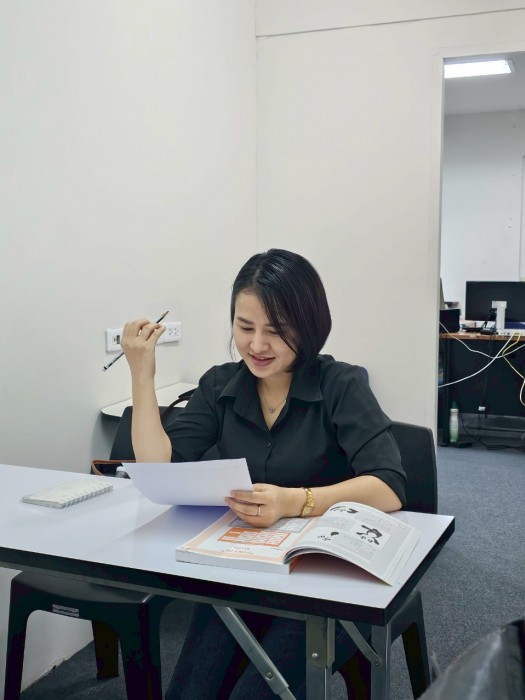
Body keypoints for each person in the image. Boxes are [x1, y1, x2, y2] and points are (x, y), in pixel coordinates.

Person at [121, 248, 406, 700]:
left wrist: (295, 501)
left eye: (276, 331)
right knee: (190, 692)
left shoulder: (341, 385)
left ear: (309, 327)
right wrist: (142, 374)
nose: (256, 345)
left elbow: (389, 485)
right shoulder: (221, 385)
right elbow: (159, 469)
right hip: (244, 569)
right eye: (244, 326)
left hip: (323, 579)